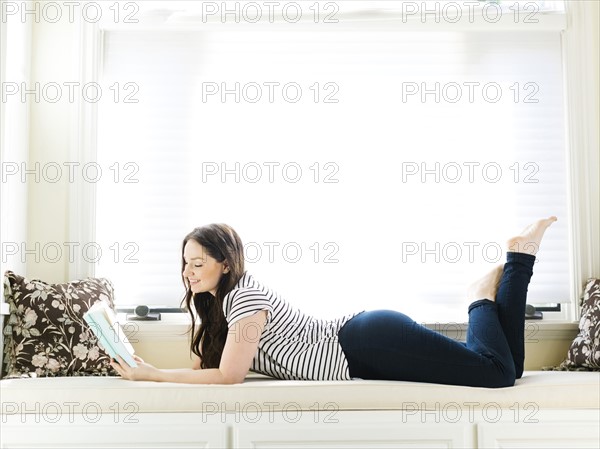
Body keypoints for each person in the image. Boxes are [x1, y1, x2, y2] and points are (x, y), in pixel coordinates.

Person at [111, 217, 558, 388]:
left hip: (366, 344)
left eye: (198, 263)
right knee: (509, 368)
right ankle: (517, 261)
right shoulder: (218, 305)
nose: (188, 273)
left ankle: (484, 292)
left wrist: (152, 376)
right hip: (365, 346)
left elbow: (229, 376)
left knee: (495, 375)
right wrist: (140, 364)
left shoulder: (244, 296)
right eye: (185, 264)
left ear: (225, 264)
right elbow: (205, 371)